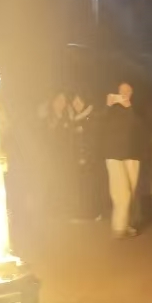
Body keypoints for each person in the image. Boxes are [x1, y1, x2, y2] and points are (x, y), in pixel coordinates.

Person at [102, 82, 146, 239]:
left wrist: (129, 108)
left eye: (127, 91)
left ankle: (128, 224)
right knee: (121, 193)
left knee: (131, 193)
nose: (124, 93)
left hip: (133, 155)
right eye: (121, 91)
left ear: (132, 92)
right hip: (114, 155)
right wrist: (107, 106)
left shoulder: (136, 108)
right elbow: (100, 125)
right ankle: (119, 226)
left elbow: (141, 128)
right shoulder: (112, 109)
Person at [67, 93, 102, 223]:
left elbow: (92, 140)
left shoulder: (90, 117)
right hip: (79, 160)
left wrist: (86, 157)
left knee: (89, 187)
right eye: (74, 102)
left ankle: (91, 213)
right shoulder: (74, 119)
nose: (77, 105)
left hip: (90, 160)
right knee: (82, 187)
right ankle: (86, 212)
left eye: (79, 102)